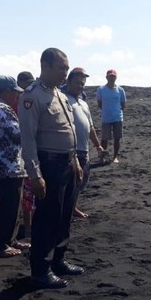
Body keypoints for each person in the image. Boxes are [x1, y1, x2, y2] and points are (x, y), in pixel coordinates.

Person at [19, 48, 84, 289]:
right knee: (48, 218)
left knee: (64, 215)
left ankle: (58, 260)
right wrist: (35, 174)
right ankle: (40, 270)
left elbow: (69, 131)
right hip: (49, 164)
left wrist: (75, 160)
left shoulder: (59, 94)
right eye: (60, 68)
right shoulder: (32, 96)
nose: (64, 73)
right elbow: (28, 138)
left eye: (66, 68)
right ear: (44, 66)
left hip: (66, 162)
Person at [0, 75, 30, 258]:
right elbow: (18, 135)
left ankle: (8, 240)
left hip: (2, 164)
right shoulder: (2, 109)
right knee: (8, 207)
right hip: (7, 166)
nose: (16, 96)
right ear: (6, 91)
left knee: (11, 206)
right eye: (13, 92)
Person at [62, 67, 104, 219]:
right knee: (70, 184)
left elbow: (90, 126)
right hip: (70, 150)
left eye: (83, 83)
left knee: (80, 183)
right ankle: (65, 212)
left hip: (84, 149)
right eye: (77, 83)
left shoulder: (83, 103)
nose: (80, 86)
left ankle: (73, 208)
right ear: (69, 81)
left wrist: (98, 145)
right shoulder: (63, 99)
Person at [16, 71, 37, 237]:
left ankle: (30, 225)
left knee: (31, 191)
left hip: (30, 151)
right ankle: (29, 227)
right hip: (25, 152)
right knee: (28, 192)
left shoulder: (24, 98)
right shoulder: (23, 99)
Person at [96, 69, 126, 163]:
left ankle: (115, 157)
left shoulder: (120, 90)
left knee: (117, 138)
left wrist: (117, 112)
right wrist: (106, 111)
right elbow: (99, 103)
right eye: (110, 76)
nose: (111, 78)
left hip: (117, 117)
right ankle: (102, 157)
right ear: (106, 77)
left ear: (116, 77)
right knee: (104, 139)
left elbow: (123, 104)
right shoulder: (101, 89)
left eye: (113, 76)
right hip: (106, 117)